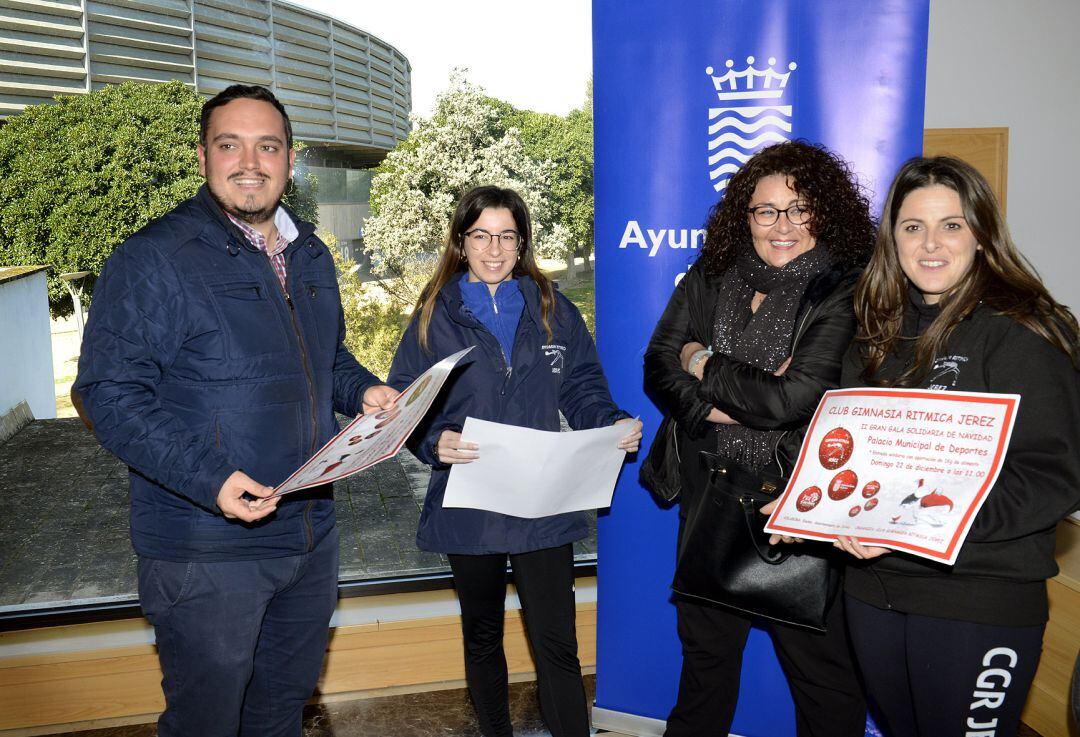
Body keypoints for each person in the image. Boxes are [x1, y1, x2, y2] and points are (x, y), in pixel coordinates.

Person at [74, 84, 398, 737]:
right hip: (205, 552)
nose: (250, 161)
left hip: (309, 536)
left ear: (289, 158)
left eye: (267, 146)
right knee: (207, 724)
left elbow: (326, 359)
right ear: (202, 157)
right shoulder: (154, 258)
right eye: (231, 144)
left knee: (279, 714)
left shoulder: (308, 253)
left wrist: (362, 390)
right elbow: (106, 391)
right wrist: (210, 478)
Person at [834, 156, 1080, 737]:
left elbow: (1052, 475)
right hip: (874, 594)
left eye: (952, 224)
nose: (931, 244)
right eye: (912, 226)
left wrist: (911, 526)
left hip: (979, 598)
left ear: (982, 232)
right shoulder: (874, 334)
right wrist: (820, 505)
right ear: (892, 239)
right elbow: (848, 452)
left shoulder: (1024, 328)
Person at [388, 185, 642, 737]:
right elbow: (404, 400)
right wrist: (434, 440)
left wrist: (610, 423)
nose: (494, 248)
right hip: (470, 498)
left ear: (522, 241)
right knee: (481, 634)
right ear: (461, 241)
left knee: (557, 643)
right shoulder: (436, 313)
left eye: (507, 236)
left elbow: (582, 388)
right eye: (481, 235)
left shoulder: (553, 306)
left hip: (542, 500)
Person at [643, 140, 874, 737]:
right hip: (709, 496)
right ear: (744, 216)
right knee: (703, 671)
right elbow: (657, 364)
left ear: (826, 213)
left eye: (799, 209)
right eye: (766, 211)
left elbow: (789, 400)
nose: (782, 226)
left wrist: (704, 358)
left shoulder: (845, 289)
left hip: (794, 505)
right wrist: (714, 409)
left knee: (824, 683)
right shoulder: (712, 273)